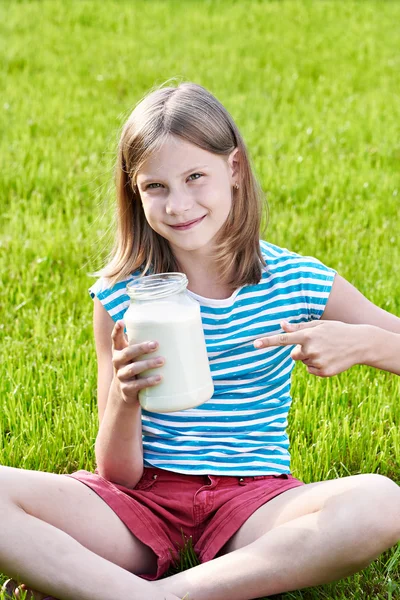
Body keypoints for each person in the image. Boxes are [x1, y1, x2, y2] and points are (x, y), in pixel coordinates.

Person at [2, 81, 400, 600]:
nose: (178, 204)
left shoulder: (297, 281)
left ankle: (147, 593)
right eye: (156, 187)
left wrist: (365, 343)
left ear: (233, 169)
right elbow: (117, 471)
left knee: (380, 502)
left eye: (195, 177)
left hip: (254, 505)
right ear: (135, 191)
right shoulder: (122, 298)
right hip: (138, 504)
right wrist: (124, 398)